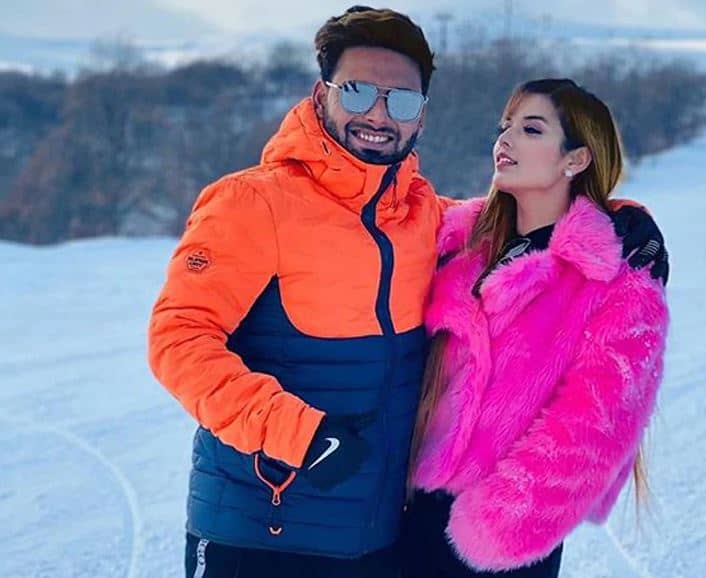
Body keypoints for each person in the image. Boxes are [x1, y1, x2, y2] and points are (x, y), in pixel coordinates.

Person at [147, 7, 668, 578]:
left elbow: (528, 216)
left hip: (375, 543)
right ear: (321, 96)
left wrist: (619, 217)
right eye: (357, 91)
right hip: (257, 533)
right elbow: (178, 340)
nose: (378, 114)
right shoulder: (252, 203)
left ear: (420, 115)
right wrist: (298, 434)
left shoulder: (424, 217)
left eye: (400, 101)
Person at [401, 78, 670, 578]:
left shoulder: (616, 271)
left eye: (531, 129)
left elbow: (599, 420)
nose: (505, 139)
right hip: (407, 514)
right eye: (504, 126)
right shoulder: (459, 240)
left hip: (497, 535)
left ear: (576, 159)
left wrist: (499, 524)